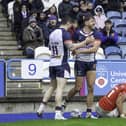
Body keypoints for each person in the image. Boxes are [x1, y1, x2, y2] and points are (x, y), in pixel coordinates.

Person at [36, 16, 94, 120]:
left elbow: (50, 47)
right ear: (67, 23)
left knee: (52, 86)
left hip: (52, 62)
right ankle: (58, 112)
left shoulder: (52, 33)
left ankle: (41, 108)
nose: (71, 27)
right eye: (70, 24)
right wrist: (85, 42)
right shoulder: (65, 33)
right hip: (61, 63)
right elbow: (71, 47)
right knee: (60, 88)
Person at [62, 15, 102, 119]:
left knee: (91, 87)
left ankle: (89, 113)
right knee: (78, 88)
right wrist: (76, 50)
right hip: (79, 62)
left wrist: (79, 50)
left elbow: (94, 49)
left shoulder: (97, 33)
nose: (94, 23)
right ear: (86, 22)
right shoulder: (77, 33)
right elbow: (72, 48)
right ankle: (64, 103)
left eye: (94, 21)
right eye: (92, 21)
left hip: (91, 62)